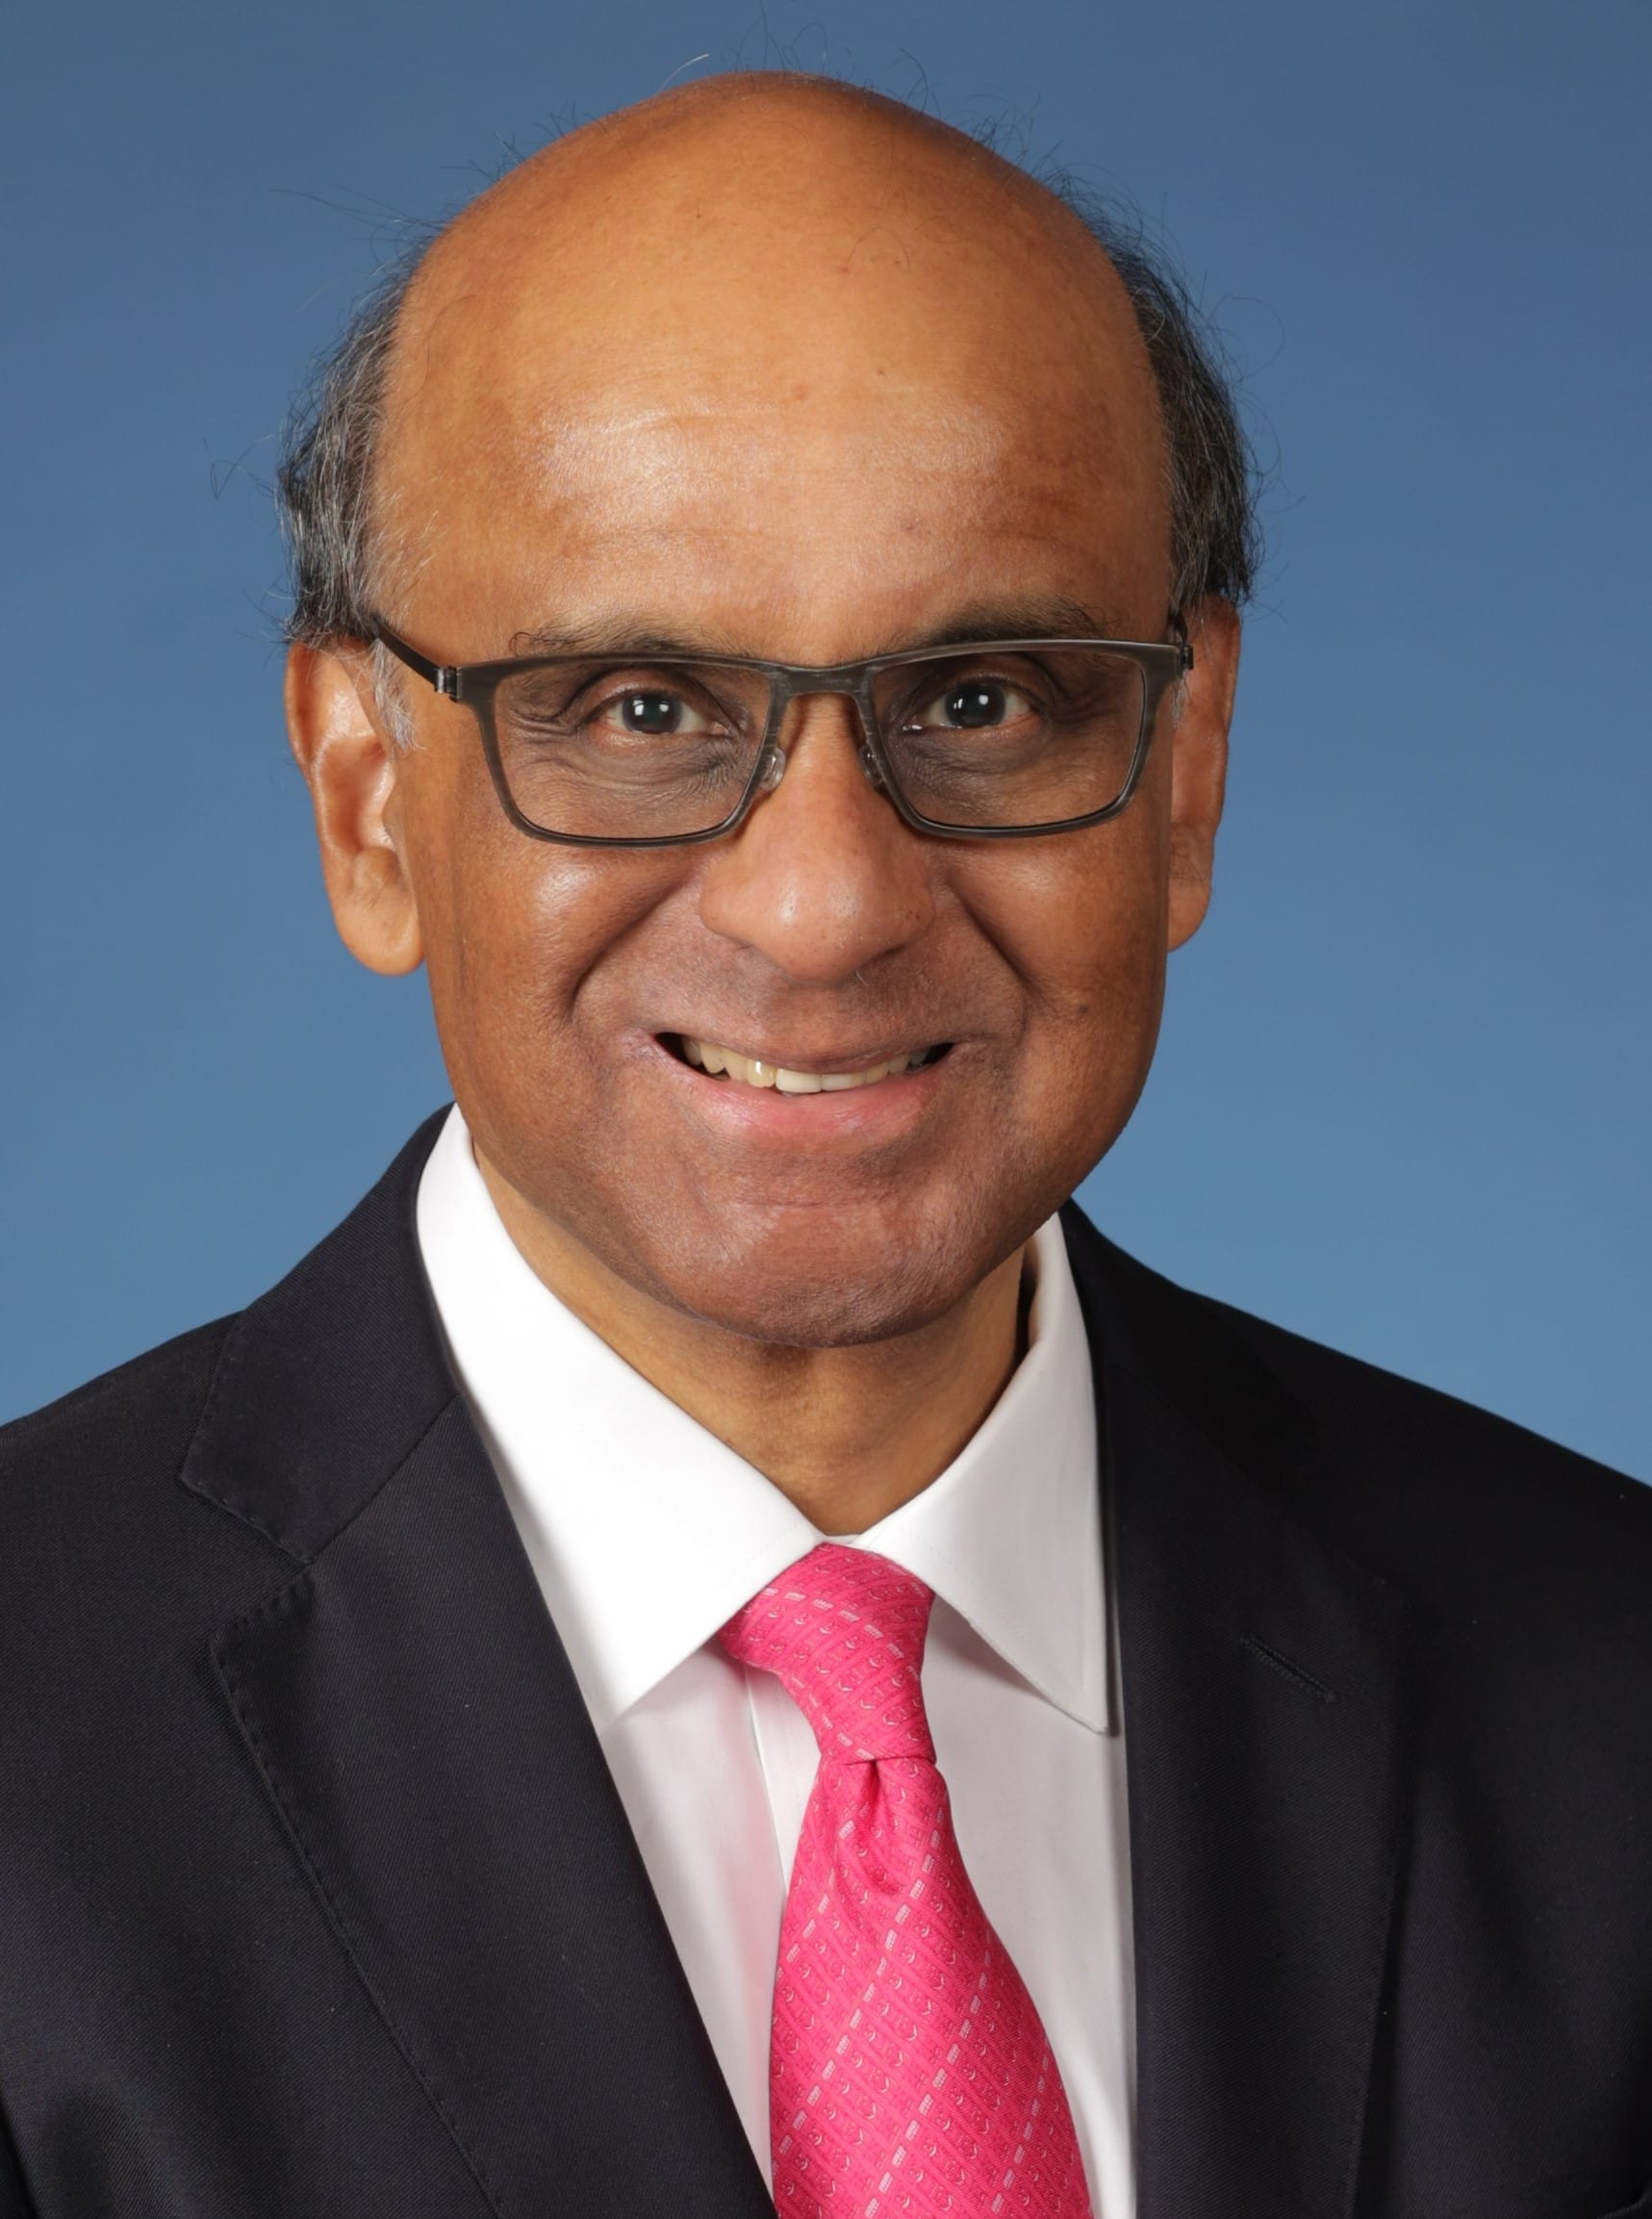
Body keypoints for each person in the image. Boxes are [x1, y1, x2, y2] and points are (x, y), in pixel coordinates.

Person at [0, 68, 1647, 2219]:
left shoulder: (1606, 1691)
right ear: (366, 799)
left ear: (1185, 768)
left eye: (982, 697)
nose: (822, 901)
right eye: (640, 709)